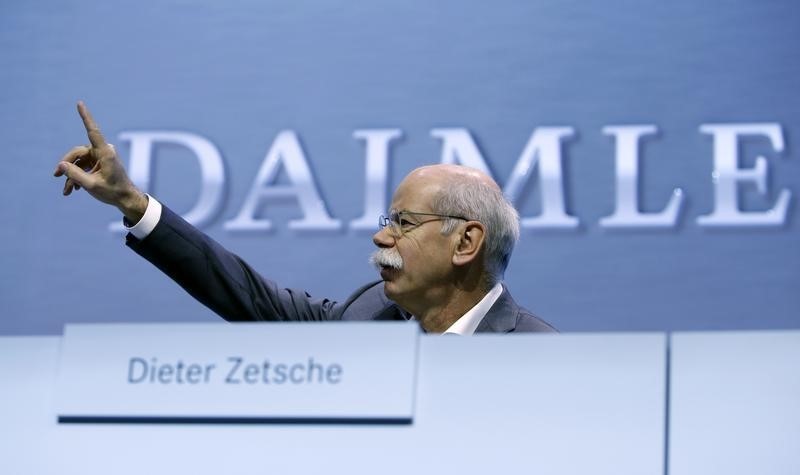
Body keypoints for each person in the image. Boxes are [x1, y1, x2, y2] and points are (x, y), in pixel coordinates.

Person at [54, 102, 556, 334]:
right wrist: (134, 205)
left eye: (403, 222)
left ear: (465, 242)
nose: (382, 235)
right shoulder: (371, 313)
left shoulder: (536, 360)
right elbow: (250, 297)